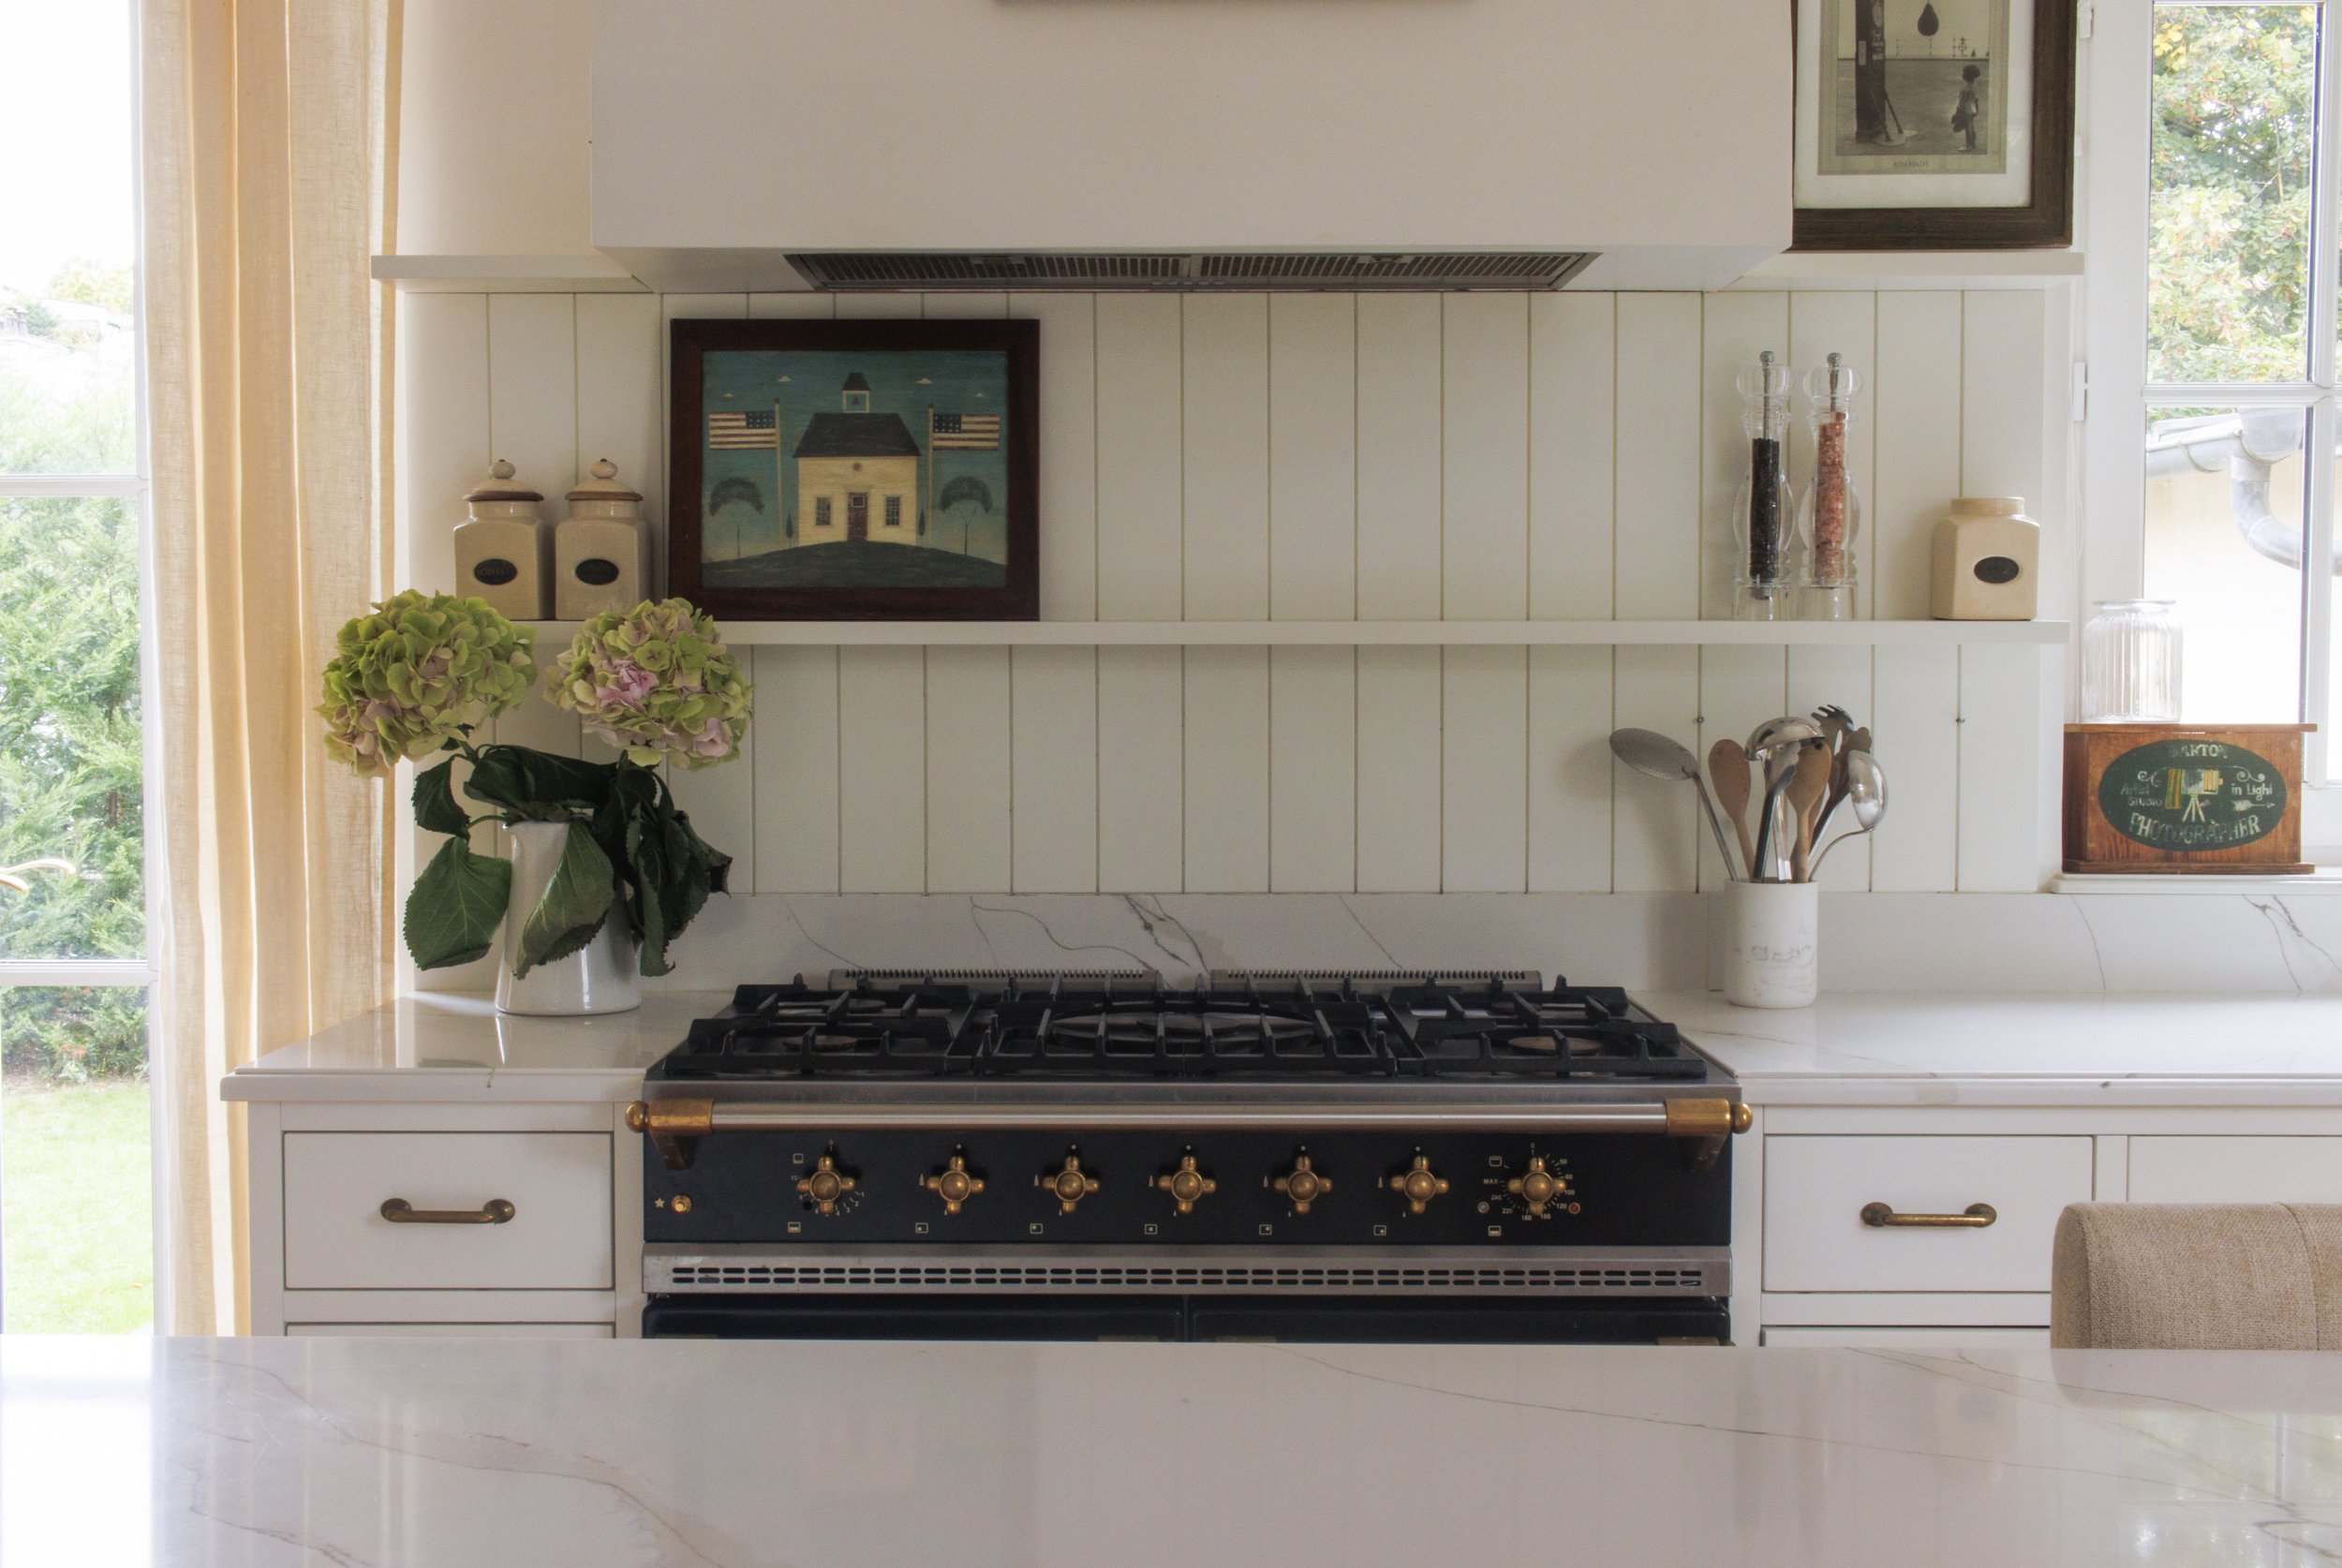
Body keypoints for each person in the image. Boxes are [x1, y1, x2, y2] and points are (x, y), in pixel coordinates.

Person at [1952, 64, 1983, 153]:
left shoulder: (1966, 88)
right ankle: (1973, 144)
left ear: (1967, 75)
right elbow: (1976, 98)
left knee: (1967, 128)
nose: (1962, 74)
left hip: (1966, 110)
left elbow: (1962, 102)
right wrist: (1977, 108)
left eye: (1964, 73)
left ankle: (1968, 145)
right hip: (1972, 108)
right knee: (1971, 126)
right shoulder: (1974, 84)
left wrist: (1957, 113)